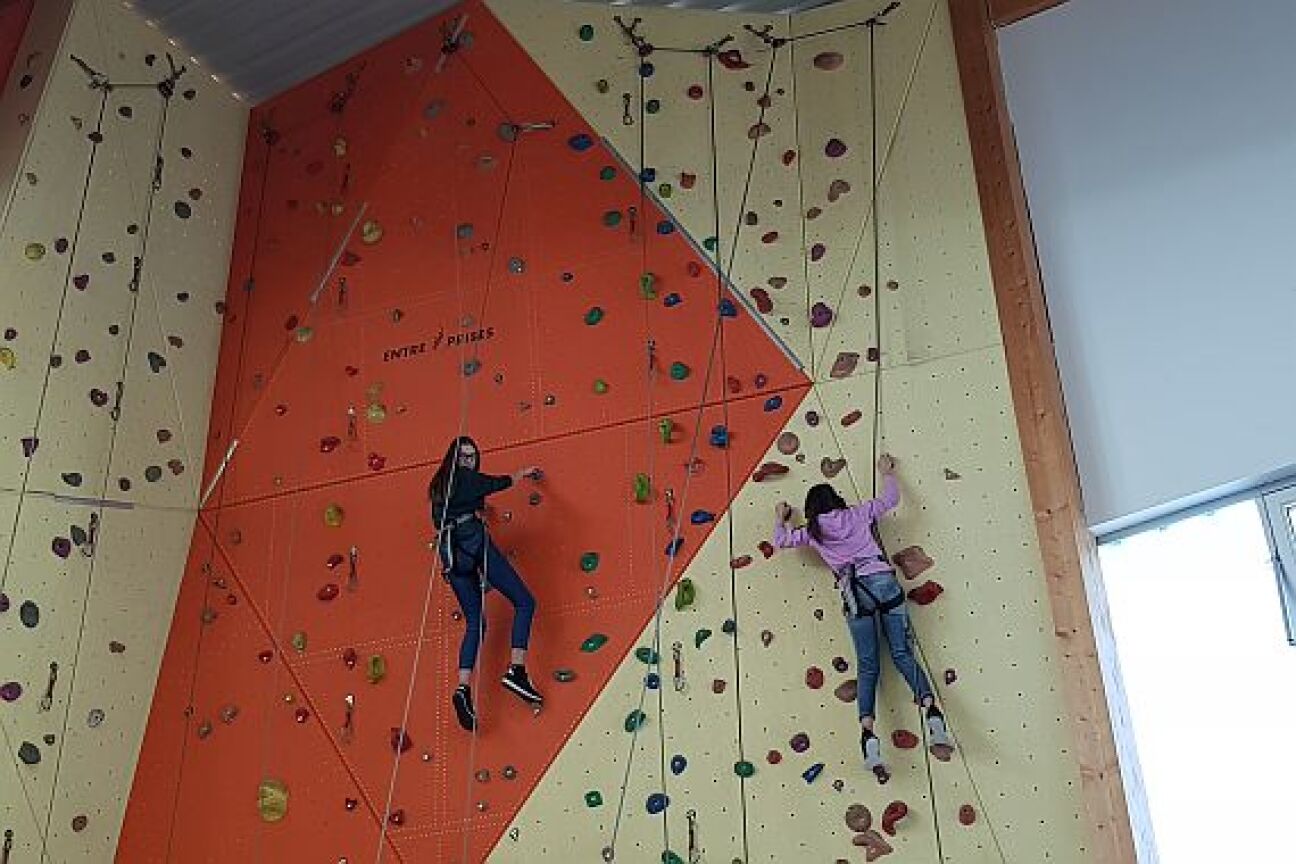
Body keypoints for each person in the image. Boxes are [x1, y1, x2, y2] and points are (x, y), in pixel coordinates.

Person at [773, 454, 952, 781]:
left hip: (856, 595)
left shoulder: (813, 531)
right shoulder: (857, 513)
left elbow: (781, 540)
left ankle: (868, 735)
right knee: (902, 654)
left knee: (869, 666)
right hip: (884, 583)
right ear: (836, 499)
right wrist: (886, 473)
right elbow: (891, 499)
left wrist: (780, 517)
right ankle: (932, 713)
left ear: (812, 509)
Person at [429, 435, 543, 731]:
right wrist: (520, 474)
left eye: (472, 456)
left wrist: (479, 510)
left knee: (475, 624)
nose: (469, 462)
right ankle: (517, 670)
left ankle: (462, 689)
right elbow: (495, 483)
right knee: (525, 602)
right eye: (464, 457)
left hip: (453, 559)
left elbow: (454, 510)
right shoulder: (464, 478)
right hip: (475, 545)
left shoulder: (438, 486)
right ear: (454, 458)